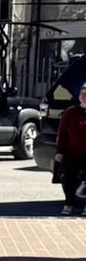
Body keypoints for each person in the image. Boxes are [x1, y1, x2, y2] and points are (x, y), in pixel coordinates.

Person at [56, 87, 86, 216]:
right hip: (71, 153)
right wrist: (59, 151)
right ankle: (69, 204)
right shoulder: (71, 112)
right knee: (69, 180)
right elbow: (61, 134)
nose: (84, 96)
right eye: (82, 94)